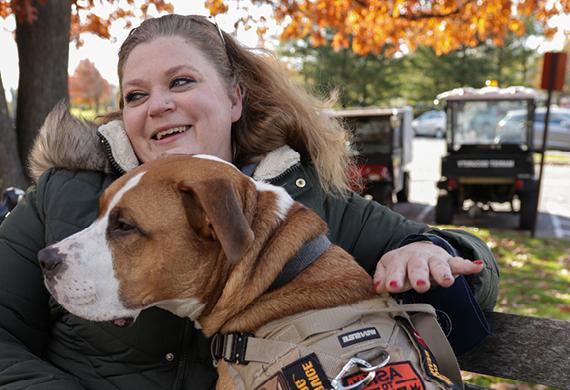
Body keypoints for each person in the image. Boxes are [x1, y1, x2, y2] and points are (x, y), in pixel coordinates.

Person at [0, 14, 498, 389]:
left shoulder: (301, 204)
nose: (158, 104)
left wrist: (432, 250)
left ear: (235, 99)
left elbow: (470, 270)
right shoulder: (68, 191)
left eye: (181, 81)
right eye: (135, 95)